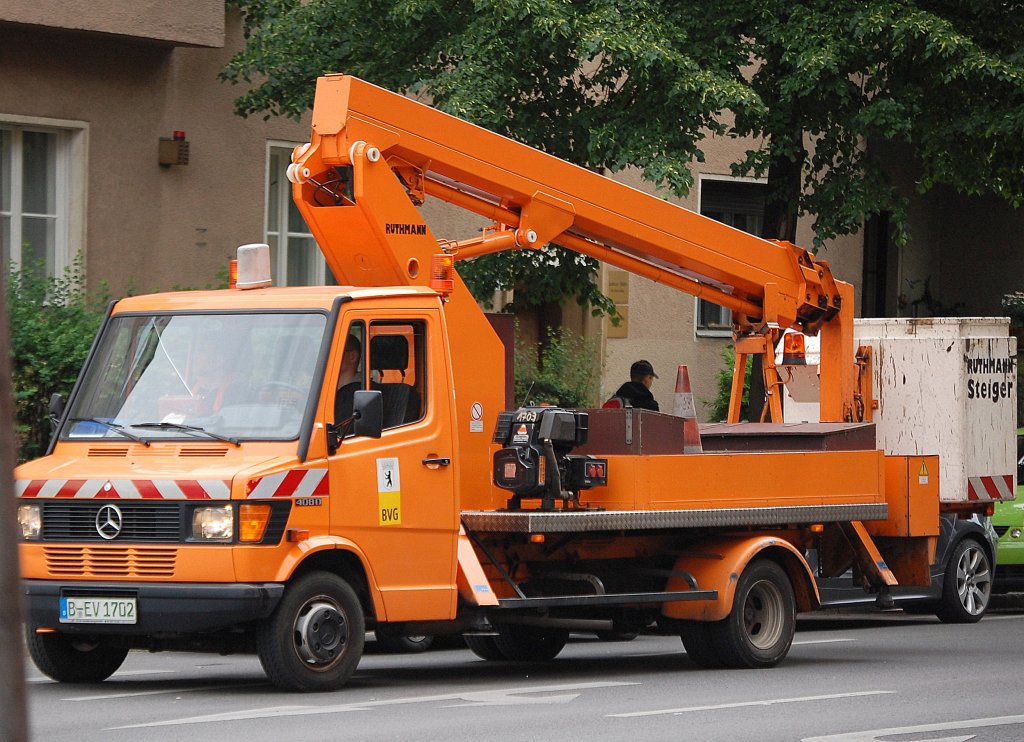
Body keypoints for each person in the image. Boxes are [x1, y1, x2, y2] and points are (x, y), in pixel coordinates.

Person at [334, 333, 363, 422]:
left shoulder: (364, 390)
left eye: (335, 352)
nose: (327, 358)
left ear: (352, 356)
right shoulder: (324, 389)